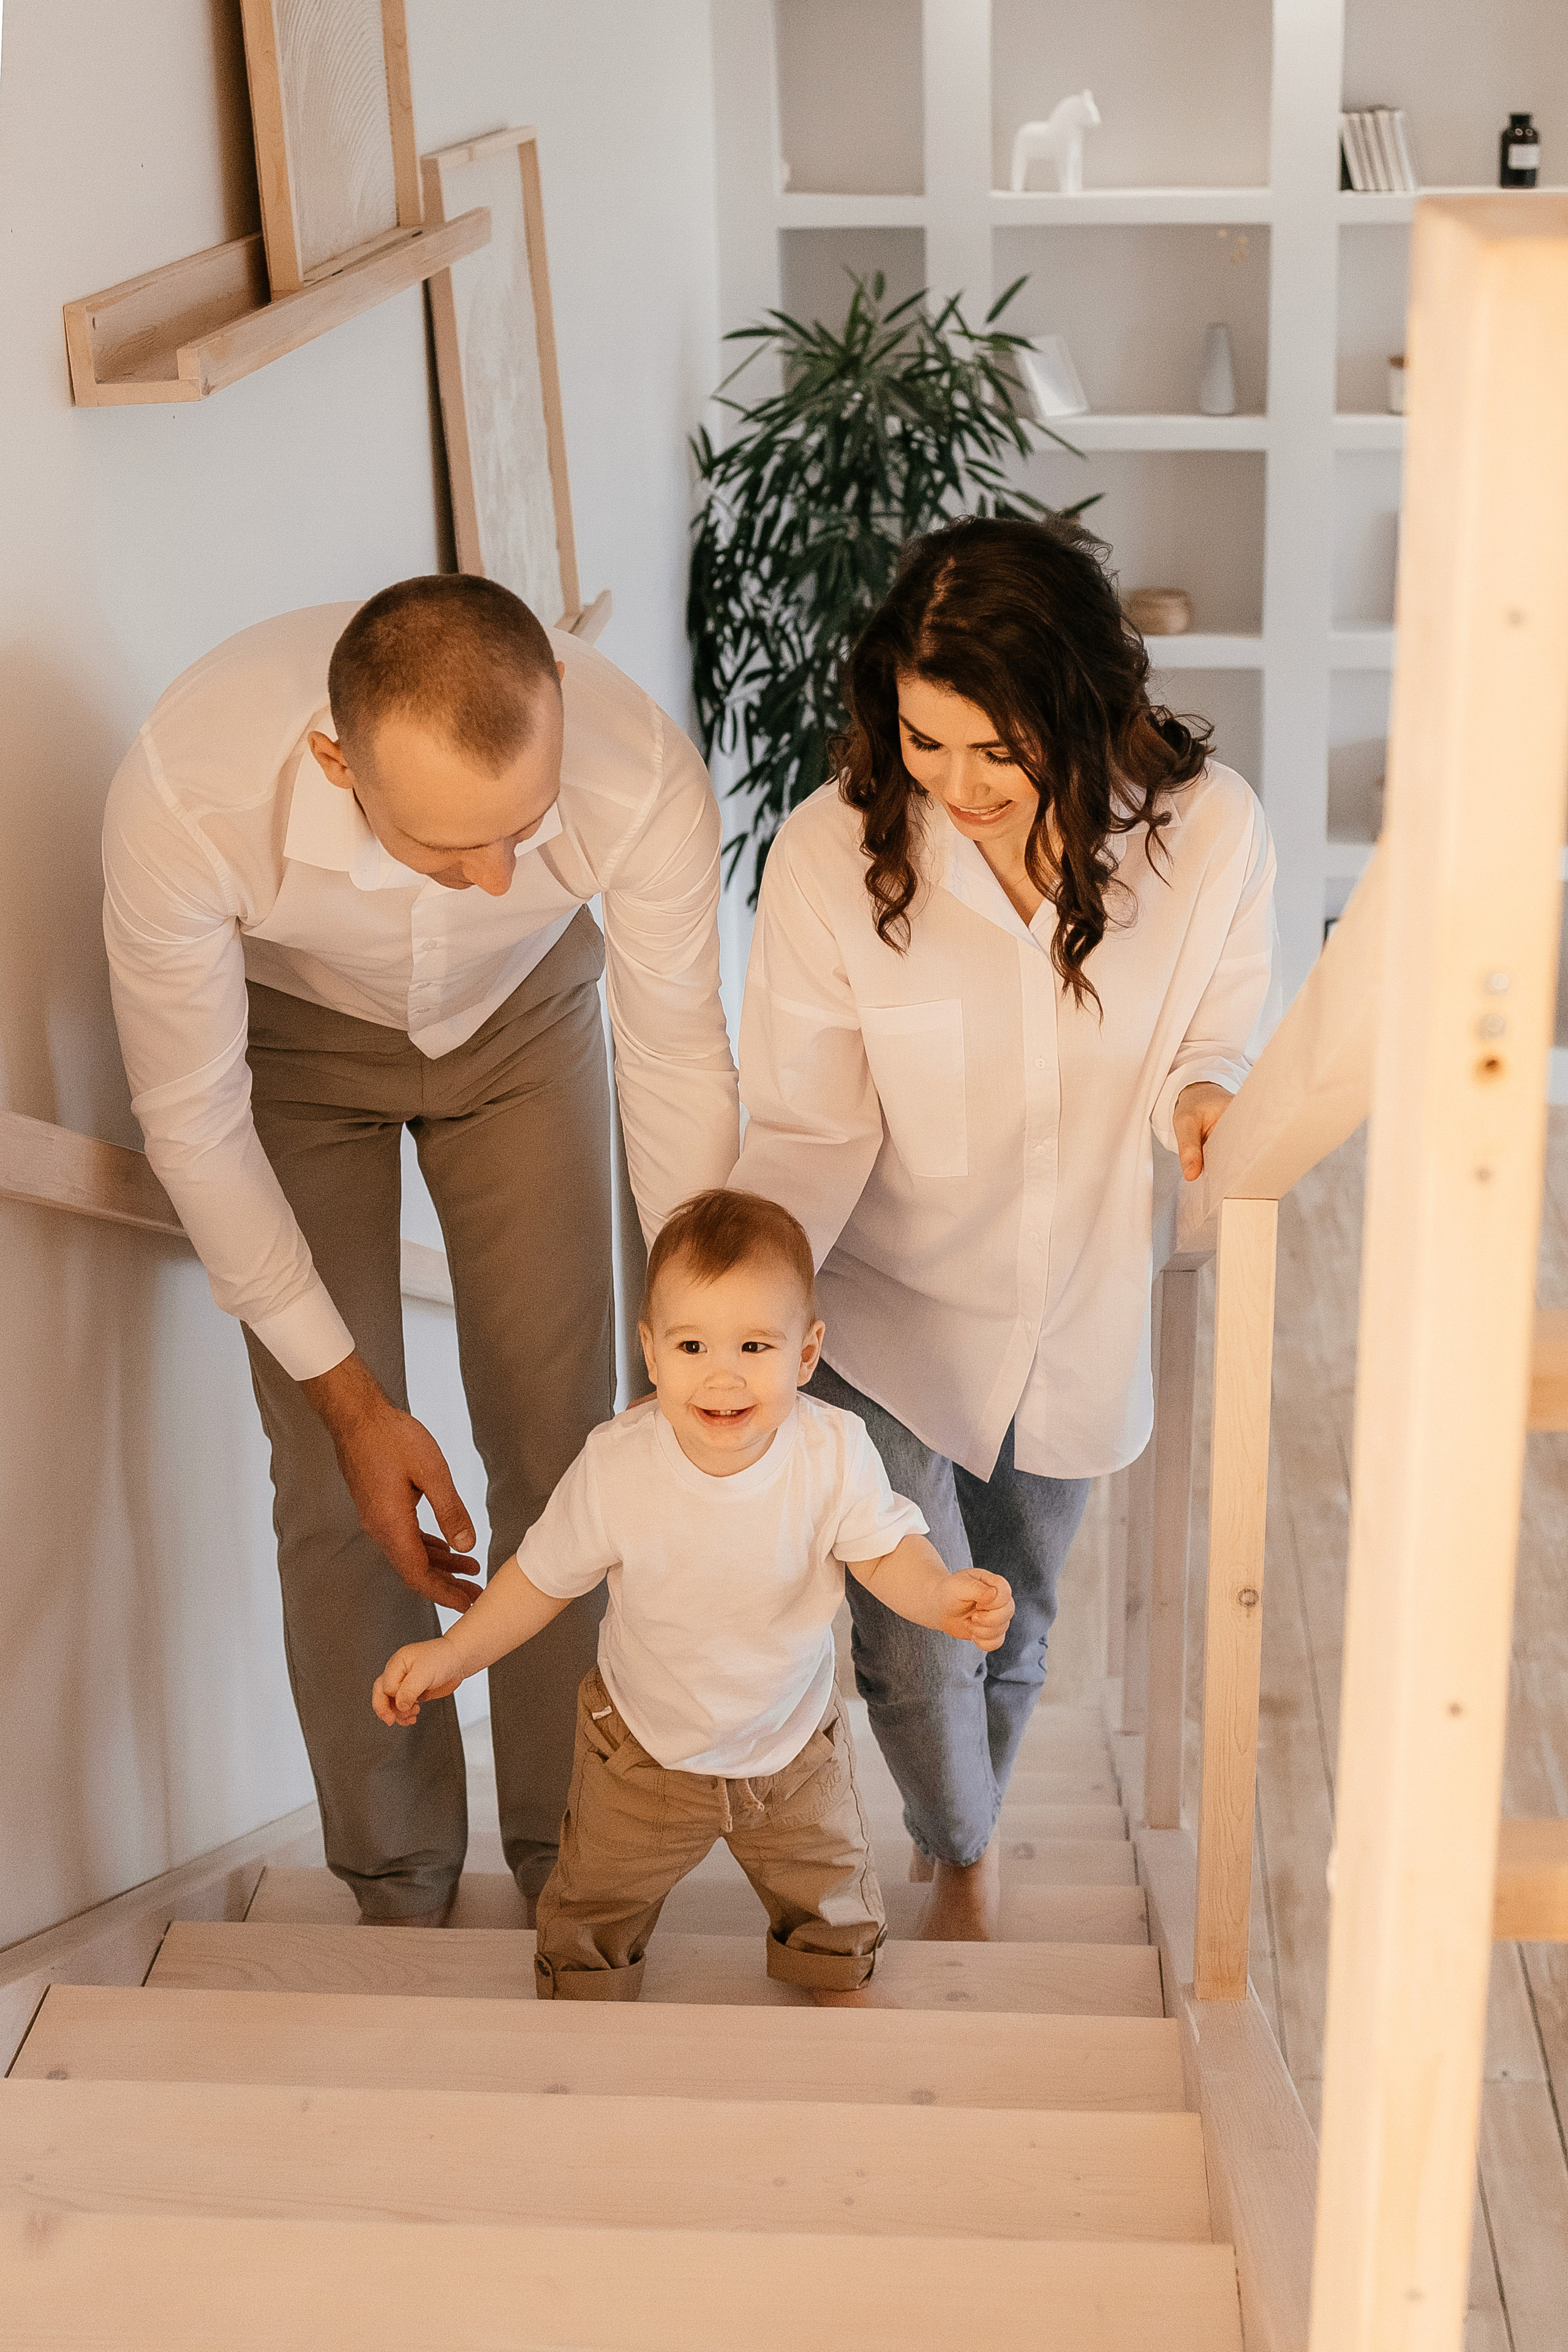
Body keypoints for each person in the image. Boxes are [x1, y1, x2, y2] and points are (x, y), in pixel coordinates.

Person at [103, 576, 739, 1926]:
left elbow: (676, 1055)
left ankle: (577, 1857)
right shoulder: (187, 792)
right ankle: (394, 1874)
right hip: (291, 1038)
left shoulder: (637, 771)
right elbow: (191, 1122)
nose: (501, 875)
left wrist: (708, 1333)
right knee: (341, 1477)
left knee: (564, 1441)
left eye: (526, 828)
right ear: (338, 769)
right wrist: (350, 1397)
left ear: (560, 709)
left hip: (523, 1019)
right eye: (452, 849)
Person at [730, 514, 1278, 1939]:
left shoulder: (1206, 831)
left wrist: (1210, 1091)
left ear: (1085, 705)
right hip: (880, 1305)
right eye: (922, 742)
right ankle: (959, 1844)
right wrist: (748, 1321)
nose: (955, 787)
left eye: (996, 746)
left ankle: (959, 1836)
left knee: (1015, 1619)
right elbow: (803, 1122)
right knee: (913, 1638)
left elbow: (1213, 1024)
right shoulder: (827, 859)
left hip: (1073, 1309)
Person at [373, 1189, 1014, 2002]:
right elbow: (540, 1580)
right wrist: (453, 1653)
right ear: (650, 1350)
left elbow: (886, 1553)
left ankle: (838, 2015)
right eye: (691, 1345)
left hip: (790, 1756)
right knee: (588, 1922)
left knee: (836, 1916)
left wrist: (943, 1594)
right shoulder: (617, 1467)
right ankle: (583, 2015)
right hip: (640, 1752)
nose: (721, 1375)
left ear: (806, 1354)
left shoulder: (832, 1451)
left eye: (754, 1345)